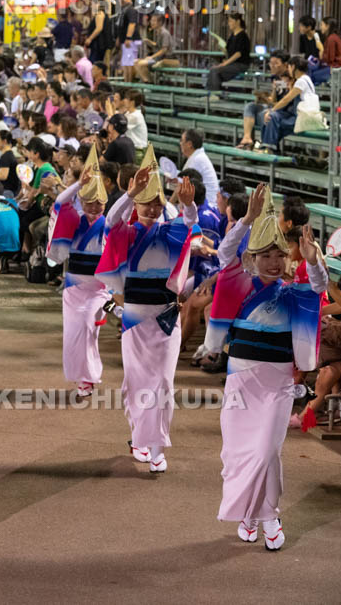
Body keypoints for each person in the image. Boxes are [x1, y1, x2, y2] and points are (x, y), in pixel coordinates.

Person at [211, 185, 326, 551]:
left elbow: (320, 285)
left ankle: (269, 514)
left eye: (279, 254)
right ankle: (254, 512)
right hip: (241, 380)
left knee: (265, 451)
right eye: (265, 255)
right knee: (237, 453)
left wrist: (313, 261)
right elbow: (225, 252)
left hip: (277, 385)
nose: (274, 261)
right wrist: (246, 219)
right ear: (253, 259)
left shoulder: (294, 293)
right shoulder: (240, 285)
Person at [95, 146, 197, 472]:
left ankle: (156, 446)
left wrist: (187, 203)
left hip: (167, 319)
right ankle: (140, 438)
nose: (152, 208)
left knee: (164, 383)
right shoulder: (126, 234)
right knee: (137, 384)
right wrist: (131, 193)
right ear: (136, 207)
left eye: (157, 203)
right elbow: (111, 219)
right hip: (136, 319)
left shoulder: (171, 233)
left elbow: (190, 220)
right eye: (145, 203)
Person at [48, 146, 110, 396]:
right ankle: (83, 378)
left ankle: (91, 375)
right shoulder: (74, 220)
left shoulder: (110, 225)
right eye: (89, 202)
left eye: (98, 203)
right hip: (74, 288)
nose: (94, 207)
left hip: (98, 289)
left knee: (87, 327)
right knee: (75, 335)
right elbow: (59, 203)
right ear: (81, 201)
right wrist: (77, 185)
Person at [239, 50, 290, 148]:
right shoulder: (275, 77)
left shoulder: (291, 79)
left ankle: (264, 147)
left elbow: (285, 103)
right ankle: (247, 138)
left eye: (276, 63)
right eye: (271, 63)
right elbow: (274, 100)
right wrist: (266, 97)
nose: (272, 66)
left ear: (286, 64)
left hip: (283, 112)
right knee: (250, 107)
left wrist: (271, 106)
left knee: (266, 114)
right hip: (275, 108)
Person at [261, 56, 313, 150]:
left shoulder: (301, 81)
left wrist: (271, 110)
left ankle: (268, 147)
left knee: (271, 118)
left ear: (293, 67)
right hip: (298, 116)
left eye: (289, 67)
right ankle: (268, 146)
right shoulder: (306, 79)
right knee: (271, 117)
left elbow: (286, 100)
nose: (288, 70)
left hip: (302, 119)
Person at [207, 14, 251, 92]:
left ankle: (215, 94)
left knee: (215, 71)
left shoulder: (243, 36)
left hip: (240, 64)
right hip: (232, 64)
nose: (229, 23)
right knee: (213, 71)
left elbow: (238, 53)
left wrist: (225, 64)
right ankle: (213, 93)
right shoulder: (232, 36)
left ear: (238, 21)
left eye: (230, 21)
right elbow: (228, 51)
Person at [134, 14, 180, 83]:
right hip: (159, 58)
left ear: (160, 22)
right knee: (135, 62)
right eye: (151, 20)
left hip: (166, 59)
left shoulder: (164, 33)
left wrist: (151, 57)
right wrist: (148, 41)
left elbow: (164, 49)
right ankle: (147, 80)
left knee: (141, 64)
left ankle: (149, 82)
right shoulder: (158, 32)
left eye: (154, 21)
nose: (151, 23)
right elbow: (157, 45)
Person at [179, 128, 220, 206]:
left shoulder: (197, 160)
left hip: (207, 205)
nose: (180, 143)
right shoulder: (197, 156)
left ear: (189, 144)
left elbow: (183, 187)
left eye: (182, 141)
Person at [314, 16, 341, 84]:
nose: (320, 27)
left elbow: (329, 59)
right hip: (339, 68)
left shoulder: (331, 38)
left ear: (328, 26)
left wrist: (321, 54)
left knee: (310, 75)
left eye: (322, 25)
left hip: (336, 70)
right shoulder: (335, 37)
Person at [115, 0, 140, 82]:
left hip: (130, 40)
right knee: (125, 63)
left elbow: (132, 24)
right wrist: (120, 38)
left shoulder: (131, 10)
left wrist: (128, 38)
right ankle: (127, 82)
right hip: (125, 40)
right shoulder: (123, 10)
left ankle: (130, 83)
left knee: (129, 63)